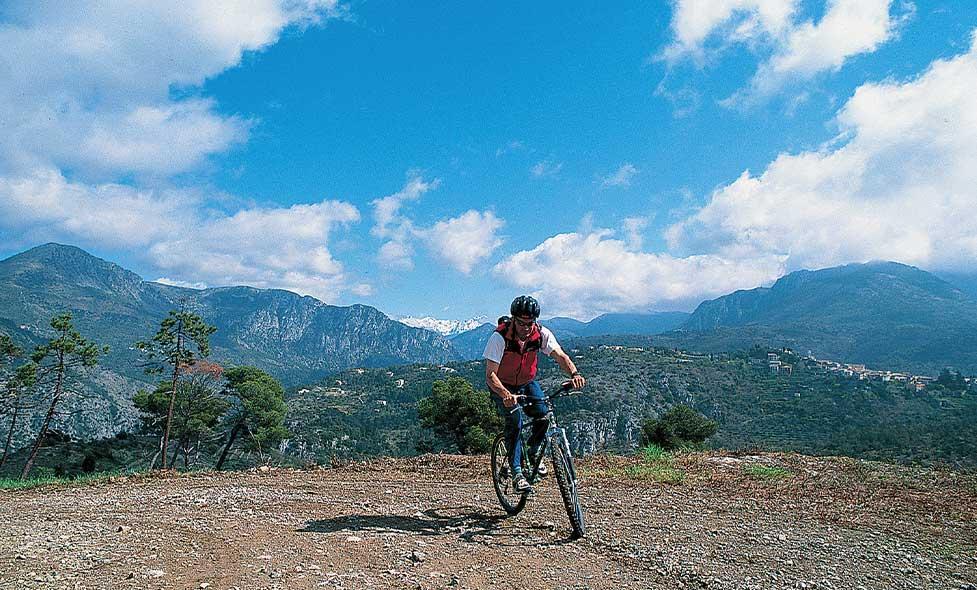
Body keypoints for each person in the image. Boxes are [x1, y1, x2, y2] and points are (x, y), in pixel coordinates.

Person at [483, 295, 586, 492]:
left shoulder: (541, 335)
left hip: (526, 383)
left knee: (544, 415)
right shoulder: (499, 338)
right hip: (501, 385)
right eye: (521, 323)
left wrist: (574, 374)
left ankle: (533, 450)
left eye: (530, 323)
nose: (526, 327)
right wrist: (505, 394)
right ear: (513, 320)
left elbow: (560, 356)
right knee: (515, 422)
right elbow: (490, 375)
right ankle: (517, 472)